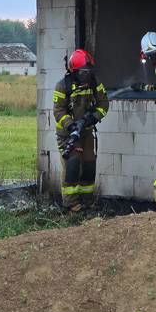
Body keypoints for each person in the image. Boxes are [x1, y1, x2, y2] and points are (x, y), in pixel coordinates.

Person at [53, 49, 109, 212]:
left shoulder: (94, 82)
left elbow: (104, 105)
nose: (87, 75)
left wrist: (90, 119)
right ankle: (71, 205)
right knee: (73, 165)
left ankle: (88, 202)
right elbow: (58, 111)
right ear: (75, 71)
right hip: (68, 134)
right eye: (84, 72)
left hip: (87, 132)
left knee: (89, 165)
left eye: (89, 71)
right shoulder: (63, 86)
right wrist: (72, 125)